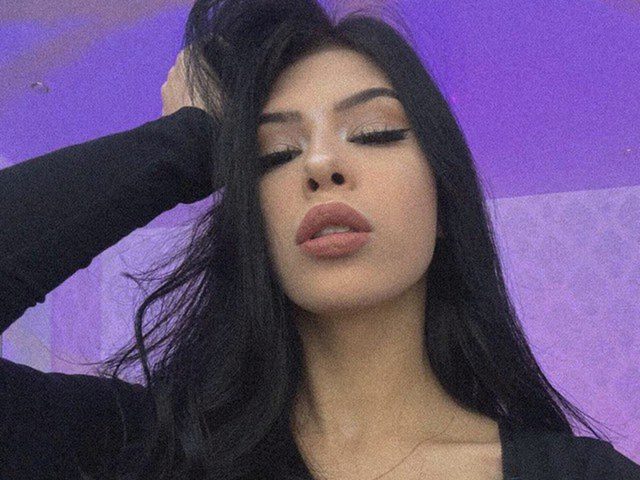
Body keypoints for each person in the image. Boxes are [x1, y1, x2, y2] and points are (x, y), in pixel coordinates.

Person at [1, 0, 639, 479]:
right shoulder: (139, 453)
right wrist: (186, 142)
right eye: (274, 153)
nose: (320, 164)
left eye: (374, 133)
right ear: (249, 223)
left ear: (444, 201)